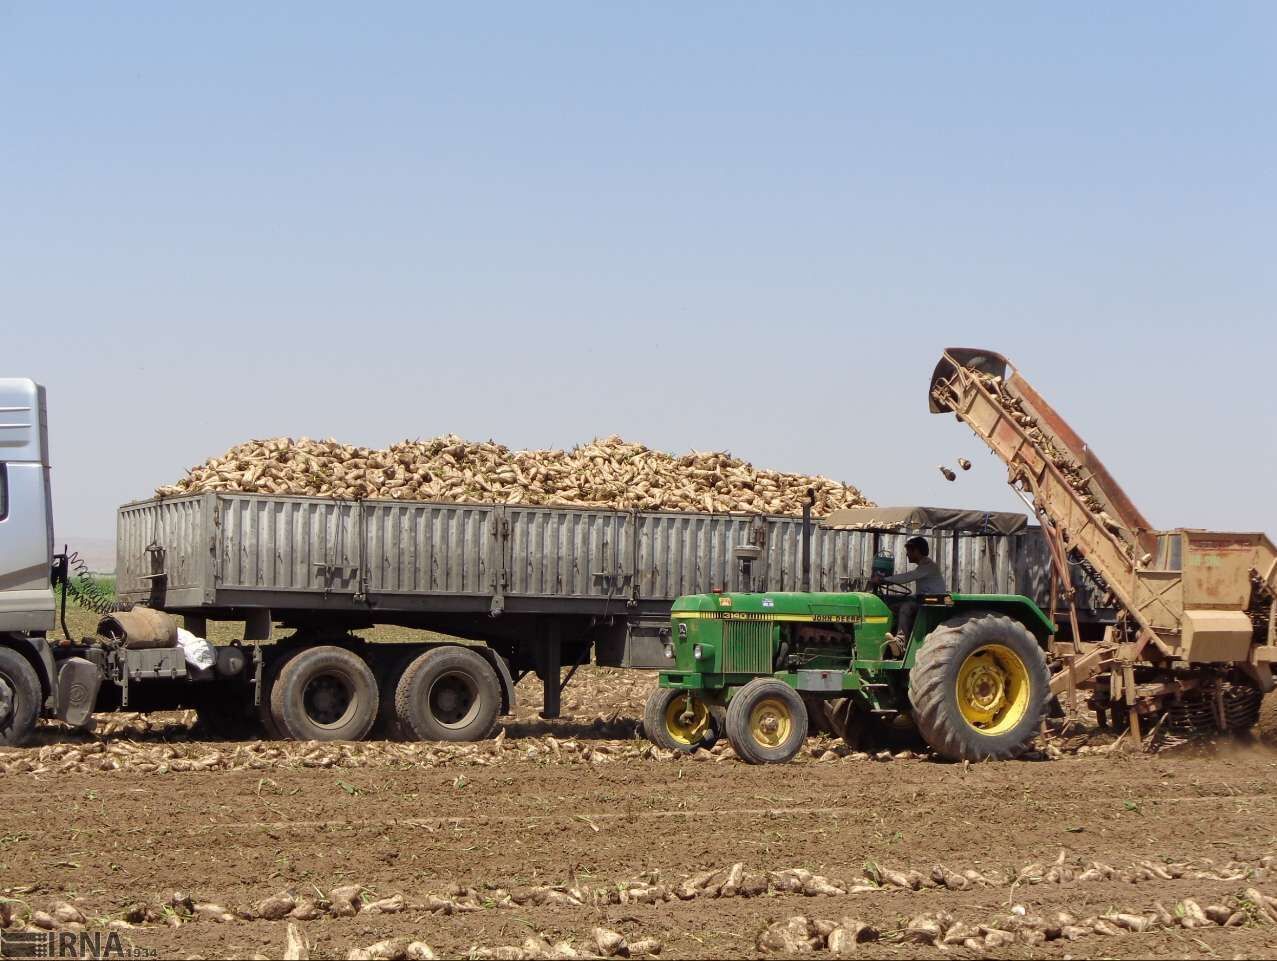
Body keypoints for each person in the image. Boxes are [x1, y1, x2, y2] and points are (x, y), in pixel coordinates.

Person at [869, 536, 947, 644]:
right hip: (924, 600)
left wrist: (883, 580)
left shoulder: (928, 566)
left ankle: (901, 642)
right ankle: (883, 639)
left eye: (909, 551)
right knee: (890, 608)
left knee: (906, 607)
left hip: (932, 604)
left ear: (916, 551)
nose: (907, 554)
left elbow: (907, 577)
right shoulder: (924, 566)